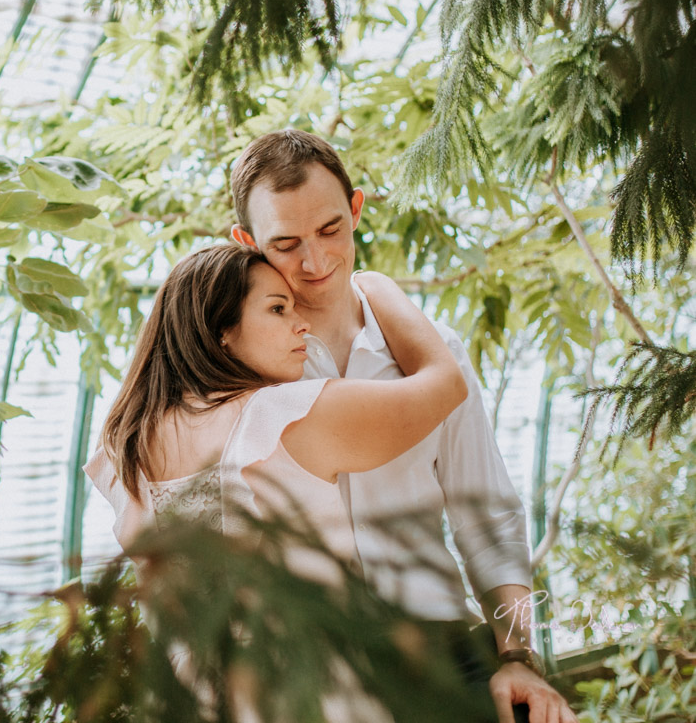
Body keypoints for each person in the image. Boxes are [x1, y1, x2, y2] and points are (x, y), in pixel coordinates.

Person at [228, 129, 577, 723]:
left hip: (444, 651)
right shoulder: (237, 372)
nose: (314, 262)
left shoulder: (434, 352)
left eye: (331, 230)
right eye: (286, 244)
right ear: (246, 242)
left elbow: (488, 515)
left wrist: (519, 657)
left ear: (357, 209)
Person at [83, 245, 469, 720]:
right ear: (221, 329)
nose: (301, 323)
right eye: (278, 308)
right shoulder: (285, 417)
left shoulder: (126, 447)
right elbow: (446, 384)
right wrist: (380, 289)